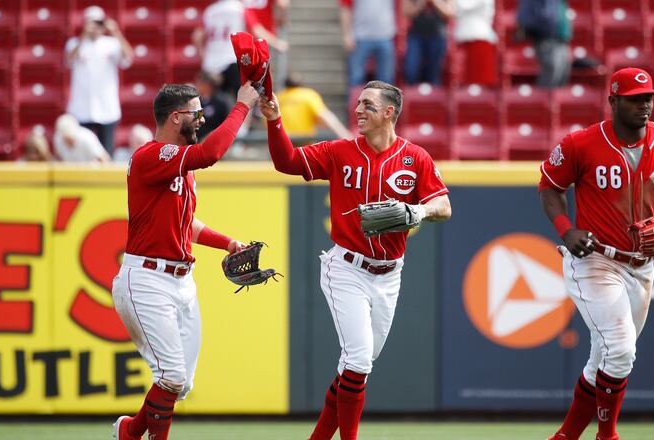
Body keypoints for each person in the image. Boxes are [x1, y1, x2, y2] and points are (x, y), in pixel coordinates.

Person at [259, 81, 452, 440]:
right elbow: (286, 162)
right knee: (359, 362)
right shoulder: (339, 151)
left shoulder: (416, 157)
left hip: (389, 276)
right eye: (358, 103)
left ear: (389, 112)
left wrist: (418, 210)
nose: (358, 110)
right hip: (346, 268)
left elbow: (444, 206)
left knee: (356, 367)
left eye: (367, 104)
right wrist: (274, 120)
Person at [539, 67, 654, 440]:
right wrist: (567, 229)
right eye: (634, 99)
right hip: (596, 258)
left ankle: (565, 436)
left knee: (605, 358)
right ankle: (607, 435)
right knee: (622, 349)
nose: (644, 105)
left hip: (643, 266)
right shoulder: (582, 143)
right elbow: (550, 187)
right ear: (613, 100)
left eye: (648, 98)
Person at [110, 80, 260, 440]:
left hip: (180, 281)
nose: (203, 120)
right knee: (171, 377)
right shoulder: (152, 156)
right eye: (197, 113)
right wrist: (241, 107)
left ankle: (129, 432)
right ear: (176, 117)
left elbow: (186, 223)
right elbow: (210, 154)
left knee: (181, 384)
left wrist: (226, 243)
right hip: (147, 278)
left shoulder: (179, 166)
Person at [65, 5, 134, 155]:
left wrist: (116, 32)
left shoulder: (112, 43)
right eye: (92, 22)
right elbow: (69, 61)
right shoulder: (74, 43)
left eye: (98, 22)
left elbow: (128, 57)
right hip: (81, 109)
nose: (95, 27)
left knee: (107, 153)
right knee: (82, 153)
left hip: (107, 108)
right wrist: (83, 35)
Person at [193, 0, 288, 101]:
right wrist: (277, 43)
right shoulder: (240, 8)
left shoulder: (210, 11)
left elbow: (197, 36)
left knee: (213, 102)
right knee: (244, 99)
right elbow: (257, 31)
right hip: (232, 59)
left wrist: (203, 55)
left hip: (211, 63)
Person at [276, 72, 354, 140]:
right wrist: (344, 134)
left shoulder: (278, 98)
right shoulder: (308, 95)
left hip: (281, 140)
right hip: (303, 141)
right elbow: (325, 116)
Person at [340, 0, 397, 86]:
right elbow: (345, 8)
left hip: (386, 36)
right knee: (356, 78)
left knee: (386, 81)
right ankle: (356, 99)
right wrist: (347, 35)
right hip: (360, 37)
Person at [517, 0, 572, 88]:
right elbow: (526, 18)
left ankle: (555, 101)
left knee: (562, 75)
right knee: (551, 73)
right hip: (546, 39)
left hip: (561, 39)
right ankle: (542, 101)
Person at [402, 0, 454, 85]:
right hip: (416, 36)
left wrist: (435, 2)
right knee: (411, 71)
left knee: (433, 75)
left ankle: (433, 97)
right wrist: (421, 3)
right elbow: (406, 12)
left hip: (437, 37)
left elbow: (450, 13)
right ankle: (413, 96)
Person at [244, 0, 291, 91]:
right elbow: (282, 4)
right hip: (263, 41)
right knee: (264, 77)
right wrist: (283, 18)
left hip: (244, 41)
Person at [453, 0, 498, 86]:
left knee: (480, 82)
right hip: (466, 38)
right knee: (465, 83)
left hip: (479, 38)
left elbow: (463, 5)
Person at [195, 71, 233, 141]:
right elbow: (197, 119)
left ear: (208, 85)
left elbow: (226, 124)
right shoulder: (197, 101)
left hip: (214, 141)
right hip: (197, 142)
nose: (197, 85)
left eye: (200, 83)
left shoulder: (221, 102)